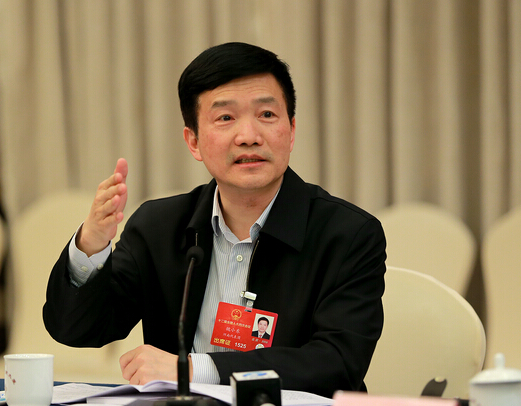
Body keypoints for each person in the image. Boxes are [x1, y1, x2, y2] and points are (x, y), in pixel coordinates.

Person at [43, 42, 386, 398]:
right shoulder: (159, 227)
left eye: (267, 114)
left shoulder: (347, 235)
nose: (249, 136)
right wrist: (91, 244)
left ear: (292, 130)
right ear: (193, 141)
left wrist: (193, 370)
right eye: (225, 118)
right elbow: (77, 329)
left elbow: (337, 363)